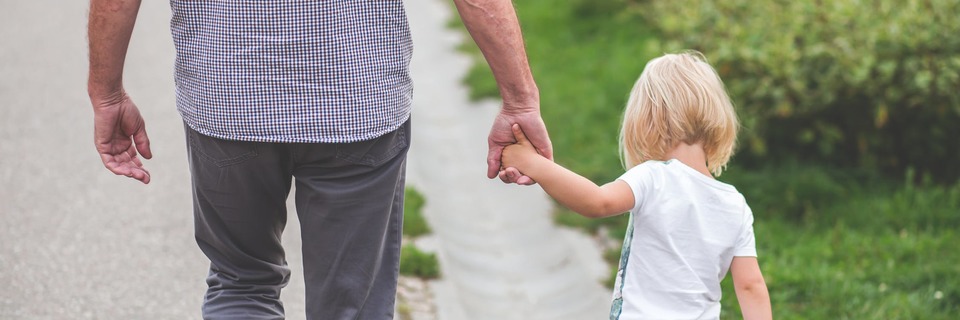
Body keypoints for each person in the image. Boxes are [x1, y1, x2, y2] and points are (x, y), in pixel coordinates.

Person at [86, 0, 552, 319]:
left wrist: (107, 92)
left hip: (227, 100)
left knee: (241, 285)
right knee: (352, 304)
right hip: (358, 100)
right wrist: (519, 99)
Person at [501, 51, 772, 320]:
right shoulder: (735, 204)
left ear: (648, 120)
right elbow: (751, 286)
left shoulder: (653, 177)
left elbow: (597, 202)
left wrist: (532, 163)